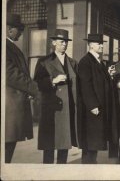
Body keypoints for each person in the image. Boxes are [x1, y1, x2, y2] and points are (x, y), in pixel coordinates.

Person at [34, 29, 78, 164]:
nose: (64, 44)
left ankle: (60, 172)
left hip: (67, 109)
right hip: (51, 109)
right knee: (49, 145)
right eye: (61, 42)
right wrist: (53, 80)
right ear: (53, 43)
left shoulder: (72, 62)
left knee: (64, 144)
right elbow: (37, 83)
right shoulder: (44, 61)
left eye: (66, 42)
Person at [77, 34, 120, 164]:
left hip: (99, 107)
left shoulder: (98, 61)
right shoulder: (85, 62)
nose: (102, 46)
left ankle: (91, 165)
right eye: (99, 44)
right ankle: (87, 169)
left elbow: (100, 81)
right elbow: (85, 85)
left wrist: (109, 75)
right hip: (93, 109)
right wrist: (92, 105)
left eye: (102, 43)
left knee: (95, 141)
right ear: (91, 45)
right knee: (90, 141)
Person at [5, 13, 40, 163]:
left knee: (9, 146)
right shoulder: (5, 46)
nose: (21, 33)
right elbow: (11, 73)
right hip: (9, 106)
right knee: (6, 147)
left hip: (12, 104)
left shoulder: (10, 46)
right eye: (19, 29)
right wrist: (34, 89)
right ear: (9, 29)